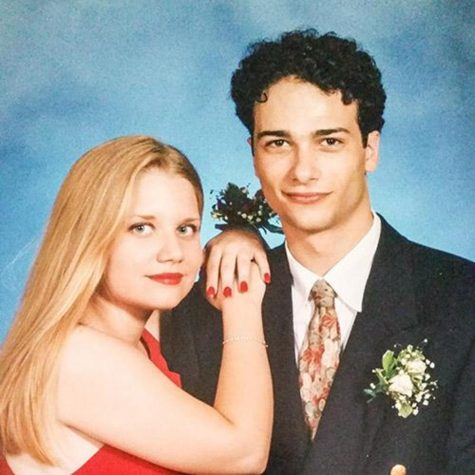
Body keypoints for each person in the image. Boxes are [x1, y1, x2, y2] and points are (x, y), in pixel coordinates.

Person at [161, 30, 475, 474]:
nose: (302, 171)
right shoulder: (208, 310)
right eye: (278, 143)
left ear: (369, 149)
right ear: (253, 154)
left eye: (329, 141)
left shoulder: (463, 301)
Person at [0, 136, 273, 474]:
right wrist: (242, 305)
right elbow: (244, 454)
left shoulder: (138, 342)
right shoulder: (79, 356)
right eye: (141, 228)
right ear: (87, 237)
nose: (172, 251)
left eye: (186, 229)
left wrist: (240, 237)